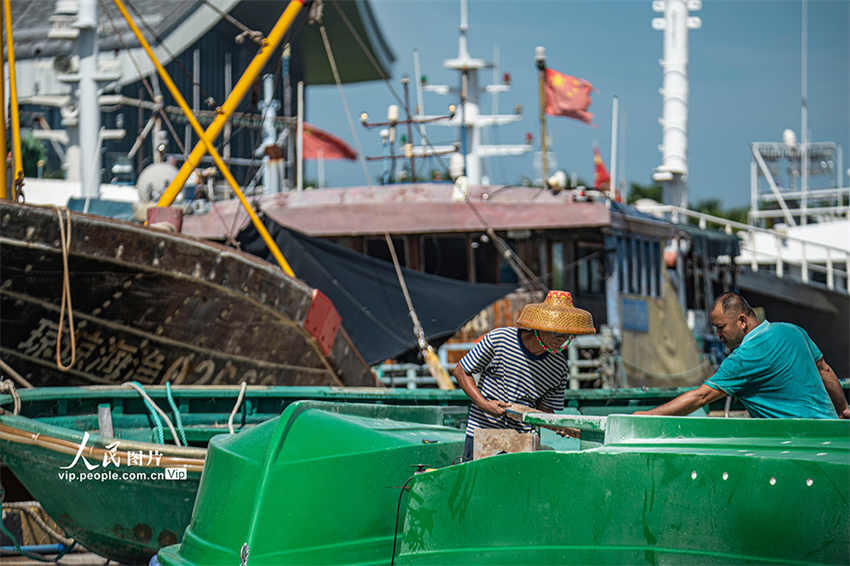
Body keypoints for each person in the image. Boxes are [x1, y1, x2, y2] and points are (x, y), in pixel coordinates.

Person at [635, 292, 848, 419]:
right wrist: (844, 410)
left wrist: (646, 416)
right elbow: (825, 371)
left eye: (721, 327)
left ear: (742, 322)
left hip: (796, 446)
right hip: (828, 431)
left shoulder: (744, 359)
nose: (717, 335)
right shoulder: (793, 330)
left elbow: (701, 397)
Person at [453, 290, 597, 461]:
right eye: (557, 335)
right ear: (540, 328)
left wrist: (559, 425)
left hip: (522, 440)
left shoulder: (559, 366)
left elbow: (544, 409)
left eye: (567, 336)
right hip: (484, 432)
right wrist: (485, 404)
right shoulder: (500, 339)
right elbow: (462, 371)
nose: (561, 341)